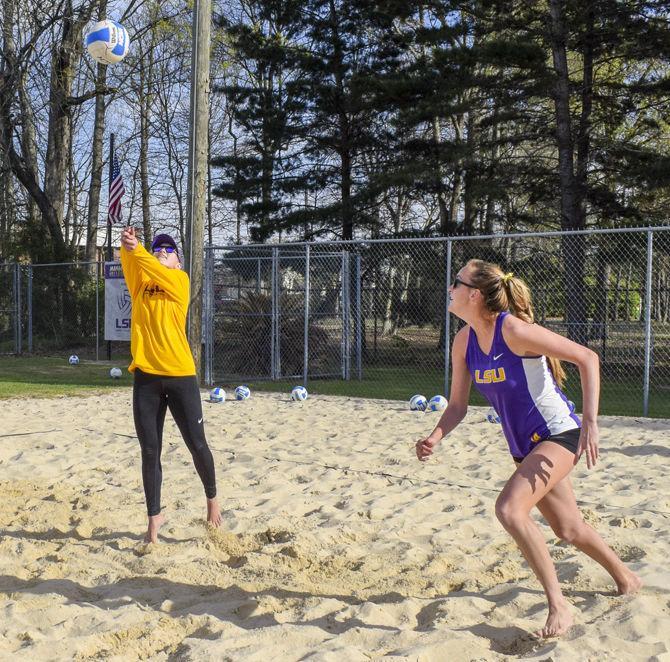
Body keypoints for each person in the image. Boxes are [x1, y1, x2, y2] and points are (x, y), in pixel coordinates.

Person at [416, 259, 641, 638]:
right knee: (568, 529)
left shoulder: (515, 330)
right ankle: (627, 579)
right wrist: (435, 436)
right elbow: (457, 406)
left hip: (559, 435)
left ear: (474, 294)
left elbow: (588, 358)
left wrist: (590, 420)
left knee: (509, 509)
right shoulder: (464, 341)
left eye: (455, 283)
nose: (449, 290)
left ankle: (559, 605)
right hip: (525, 447)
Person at [120, 228, 222, 543]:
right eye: (157, 247)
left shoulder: (180, 281)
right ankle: (154, 521)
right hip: (146, 377)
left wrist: (140, 250)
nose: (162, 249)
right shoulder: (140, 283)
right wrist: (127, 248)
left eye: (169, 248)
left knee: (197, 444)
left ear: (178, 261)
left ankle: (212, 499)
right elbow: (133, 265)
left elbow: (146, 262)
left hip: (180, 375)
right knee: (150, 450)